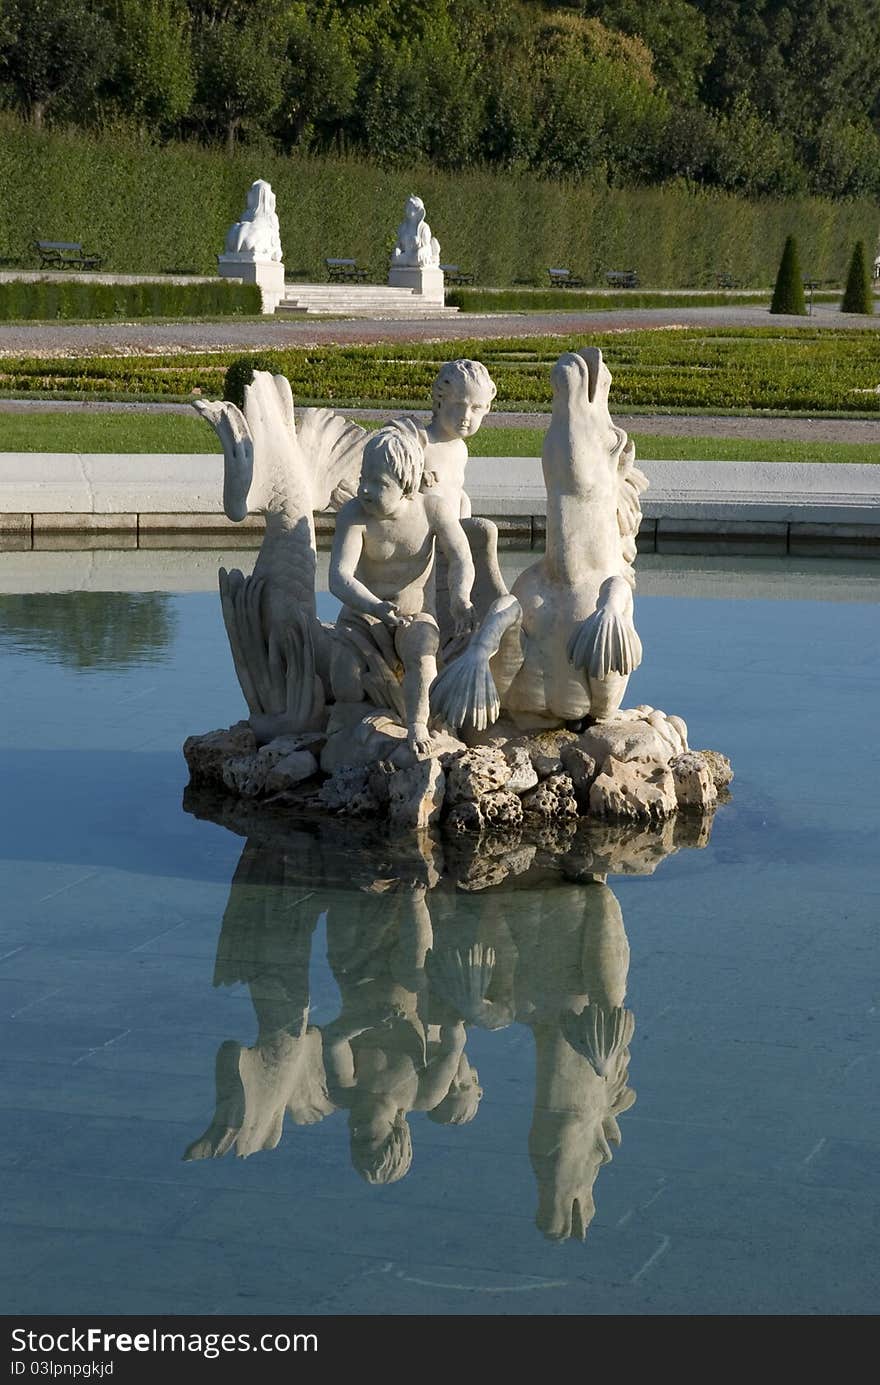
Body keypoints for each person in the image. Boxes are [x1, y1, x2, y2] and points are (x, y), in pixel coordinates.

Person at [329, 422, 476, 756]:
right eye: (363, 477)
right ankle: (357, 722)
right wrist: (376, 608)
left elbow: (461, 558)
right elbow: (339, 577)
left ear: (406, 486)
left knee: (423, 661)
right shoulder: (355, 515)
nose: (364, 489)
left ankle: (416, 725)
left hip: (415, 615)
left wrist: (460, 597)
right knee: (345, 680)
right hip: (363, 618)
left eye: (377, 484)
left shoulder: (432, 509)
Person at [421, 359, 497, 518]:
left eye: (476, 408)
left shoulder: (460, 450)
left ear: (486, 408)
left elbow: (454, 492)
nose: (465, 416)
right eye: (458, 405)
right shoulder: (420, 444)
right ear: (440, 400)